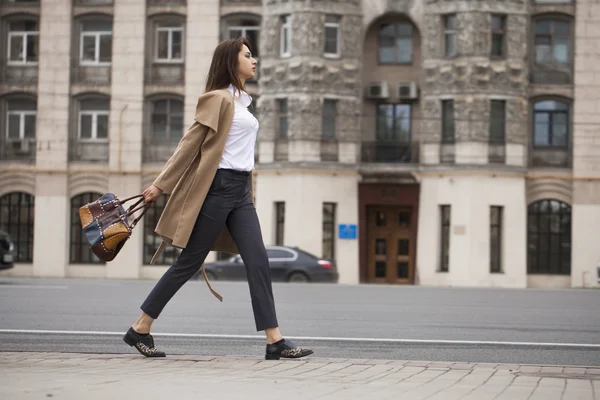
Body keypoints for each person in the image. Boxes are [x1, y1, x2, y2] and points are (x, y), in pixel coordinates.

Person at [122, 37, 313, 361]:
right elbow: (190, 144)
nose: (254, 61)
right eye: (248, 55)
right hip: (217, 188)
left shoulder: (243, 101)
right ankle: (140, 327)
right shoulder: (218, 99)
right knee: (189, 263)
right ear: (231, 60)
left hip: (241, 191)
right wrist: (159, 185)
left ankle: (274, 340)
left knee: (258, 261)